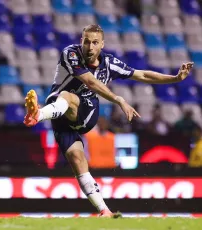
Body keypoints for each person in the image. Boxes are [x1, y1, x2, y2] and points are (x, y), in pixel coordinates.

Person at [23, 24, 194, 217]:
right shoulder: (70, 54)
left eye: (95, 42)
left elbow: (141, 74)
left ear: (102, 44)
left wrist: (175, 78)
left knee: (67, 96)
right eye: (86, 41)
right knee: (77, 160)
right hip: (59, 115)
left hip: (86, 111)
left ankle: (37, 115)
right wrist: (118, 99)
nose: (90, 46)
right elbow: (90, 80)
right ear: (81, 41)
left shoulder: (109, 64)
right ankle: (104, 210)